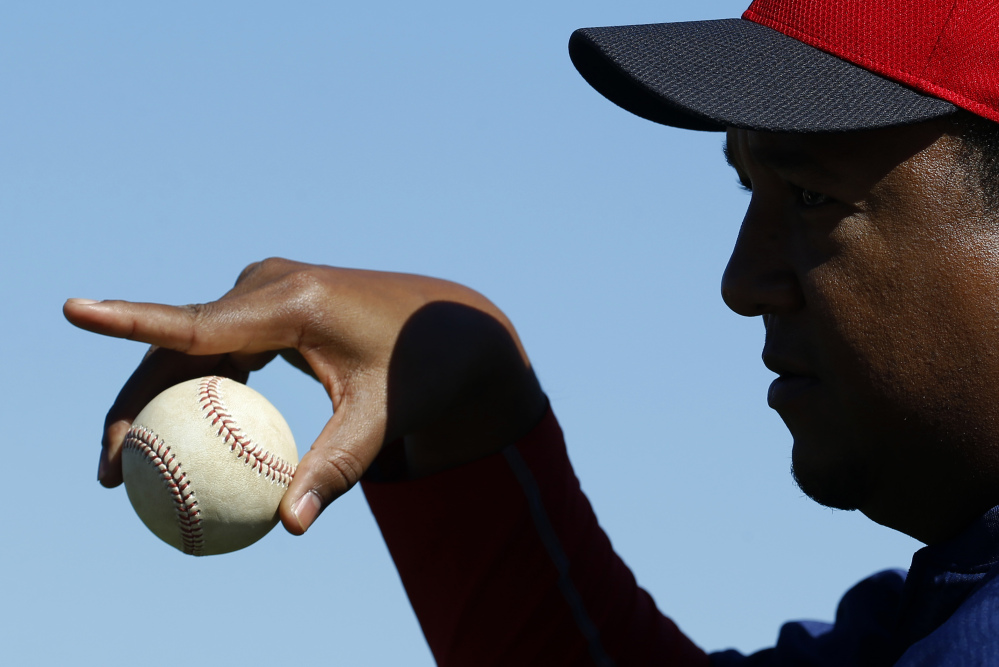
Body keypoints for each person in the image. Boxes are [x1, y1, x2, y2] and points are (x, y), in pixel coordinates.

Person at [63, 0, 999, 664]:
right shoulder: (937, 604)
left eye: (807, 195)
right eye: (745, 188)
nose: (740, 282)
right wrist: (472, 421)